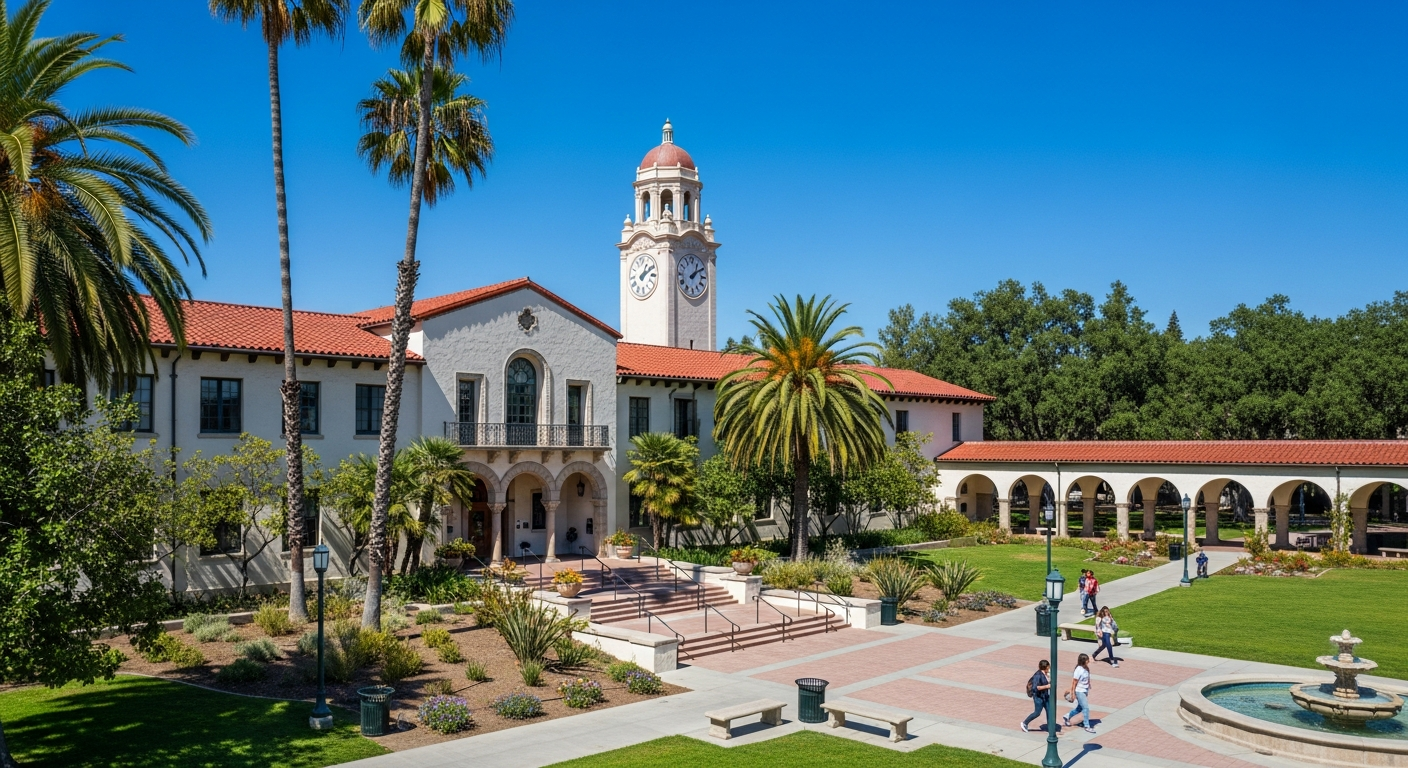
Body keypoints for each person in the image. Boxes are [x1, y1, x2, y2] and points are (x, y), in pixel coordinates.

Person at [1063, 653, 1096, 734]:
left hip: (1085, 690)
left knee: (1080, 708)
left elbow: (1087, 678)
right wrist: (1073, 693)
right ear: (1083, 661)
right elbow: (1074, 682)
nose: (1089, 661)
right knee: (1086, 708)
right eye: (1087, 660)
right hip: (1079, 691)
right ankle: (1087, 725)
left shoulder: (1086, 668)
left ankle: (1067, 716)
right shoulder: (1079, 670)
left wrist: (1088, 686)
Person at [1021, 659, 1052, 733]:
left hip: (1045, 696)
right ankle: (1025, 723)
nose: (1049, 668)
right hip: (1038, 698)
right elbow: (1036, 687)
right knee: (1037, 712)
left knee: (1049, 711)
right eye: (1048, 667)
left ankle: (1050, 728)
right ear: (1045, 667)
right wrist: (1047, 686)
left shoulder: (1045, 674)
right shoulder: (1038, 675)